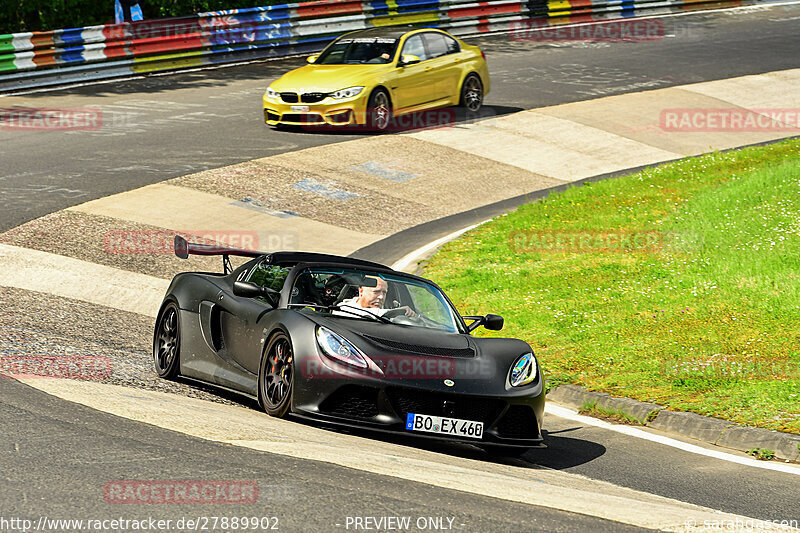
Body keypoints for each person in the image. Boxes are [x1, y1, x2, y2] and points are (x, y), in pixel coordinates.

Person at [340, 276, 417, 318]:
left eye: (384, 292)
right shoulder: (343, 309)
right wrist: (395, 312)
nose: (381, 297)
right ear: (361, 291)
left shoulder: (390, 307)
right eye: (376, 292)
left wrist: (410, 315)